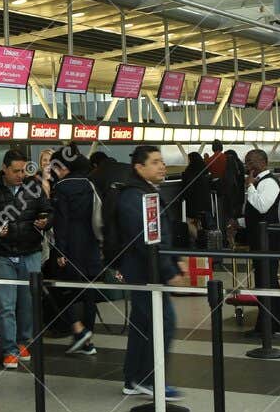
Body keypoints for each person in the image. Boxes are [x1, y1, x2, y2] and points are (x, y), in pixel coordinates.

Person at [115, 145, 184, 399]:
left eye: (162, 161)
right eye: (155, 162)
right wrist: (168, 270)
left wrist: (174, 260)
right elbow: (147, 239)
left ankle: (134, 378)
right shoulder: (135, 197)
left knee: (143, 325)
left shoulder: (146, 192)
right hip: (144, 272)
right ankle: (150, 379)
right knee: (164, 322)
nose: (162, 166)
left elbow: (160, 234)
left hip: (148, 269)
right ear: (139, 168)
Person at [0, 149, 50, 369]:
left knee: (28, 302)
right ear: (4, 168)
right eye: (16, 171)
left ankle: (24, 342)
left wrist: (46, 222)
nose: (21, 175)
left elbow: (48, 211)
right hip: (3, 254)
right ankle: (10, 350)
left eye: (24, 170)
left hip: (30, 251)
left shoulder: (34, 188)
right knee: (6, 305)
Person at [47, 145, 100, 354]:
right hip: (92, 244)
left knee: (64, 289)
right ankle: (88, 340)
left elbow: (62, 223)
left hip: (72, 245)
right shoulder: (90, 183)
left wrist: (60, 251)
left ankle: (78, 330)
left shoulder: (62, 188)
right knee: (88, 294)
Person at [242, 149, 280, 336]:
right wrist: (239, 223)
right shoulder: (259, 181)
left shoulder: (268, 182)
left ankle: (267, 326)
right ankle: (275, 322)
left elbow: (262, 206)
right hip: (260, 237)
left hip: (267, 239)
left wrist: (249, 187)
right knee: (266, 279)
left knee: (266, 280)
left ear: (263, 162)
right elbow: (256, 212)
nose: (247, 165)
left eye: (251, 161)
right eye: (246, 162)